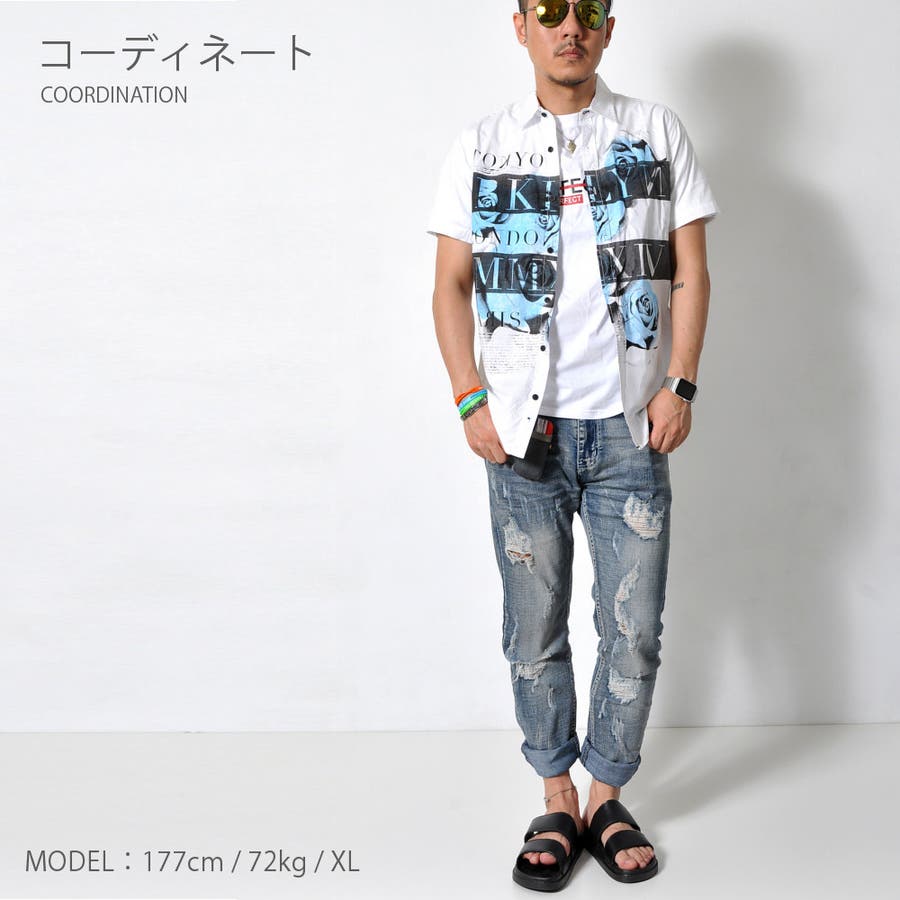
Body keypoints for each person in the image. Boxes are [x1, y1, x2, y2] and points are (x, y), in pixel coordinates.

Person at [428, 0, 718, 891]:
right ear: (520, 26)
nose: (570, 27)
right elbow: (449, 285)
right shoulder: (482, 145)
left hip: (630, 427)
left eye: (587, 10)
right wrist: (470, 396)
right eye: (549, 10)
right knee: (533, 627)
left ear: (608, 27)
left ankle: (606, 797)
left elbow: (692, 268)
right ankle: (555, 796)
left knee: (633, 629)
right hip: (524, 435)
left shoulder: (655, 132)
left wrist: (679, 382)